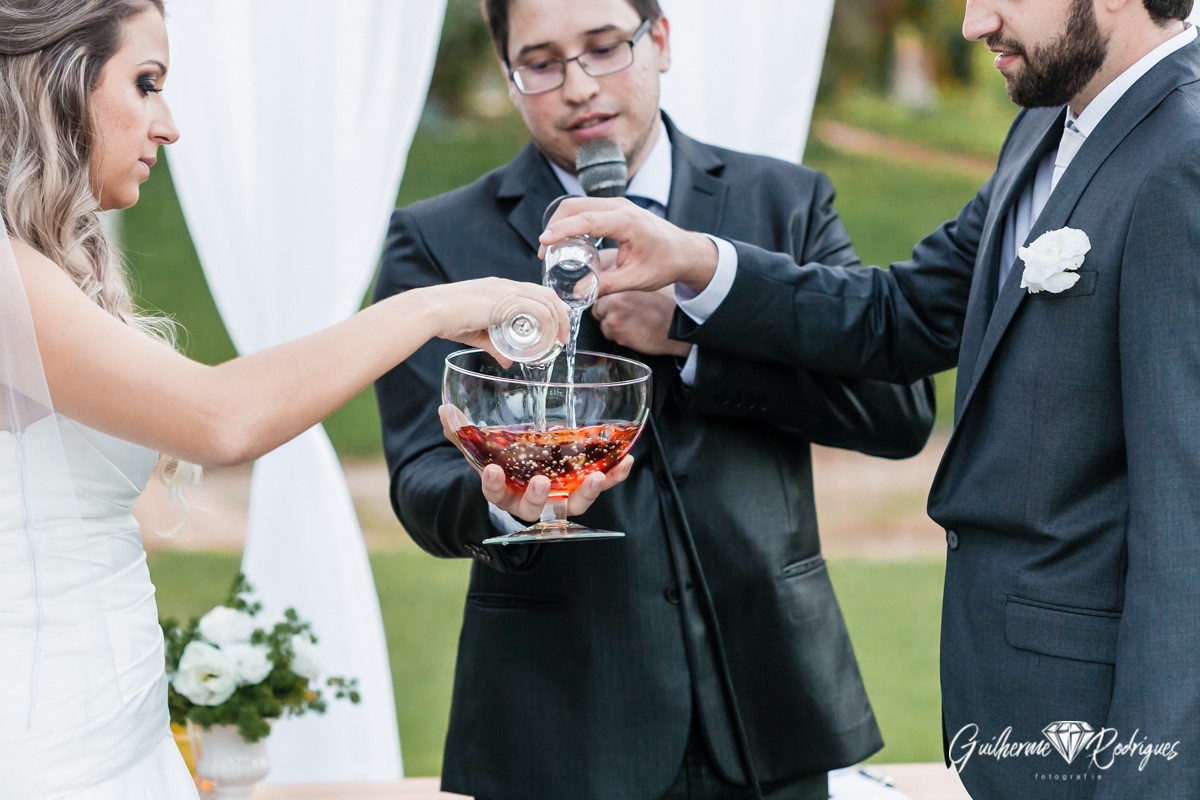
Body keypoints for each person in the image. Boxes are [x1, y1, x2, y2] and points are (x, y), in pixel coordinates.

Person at [542, 0, 1200, 798]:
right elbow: (903, 314)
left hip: (1107, 735)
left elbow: (1185, 523)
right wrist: (695, 261)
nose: (973, 22)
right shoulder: (1046, 126)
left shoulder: (1185, 156)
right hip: (1017, 707)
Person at [0, 1, 586, 797]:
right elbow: (220, 416)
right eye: (146, 83)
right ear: (58, 81)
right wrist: (431, 308)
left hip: (112, 724)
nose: (167, 125)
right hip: (44, 744)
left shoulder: (36, 267)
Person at [372, 1, 935, 798]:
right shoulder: (434, 240)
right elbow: (420, 480)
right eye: (541, 63)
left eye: (604, 48)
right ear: (508, 77)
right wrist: (507, 507)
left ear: (659, 40)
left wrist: (697, 337)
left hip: (773, 703)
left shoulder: (784, 203)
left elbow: (897, 414)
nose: (577, 86)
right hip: (559, 721)